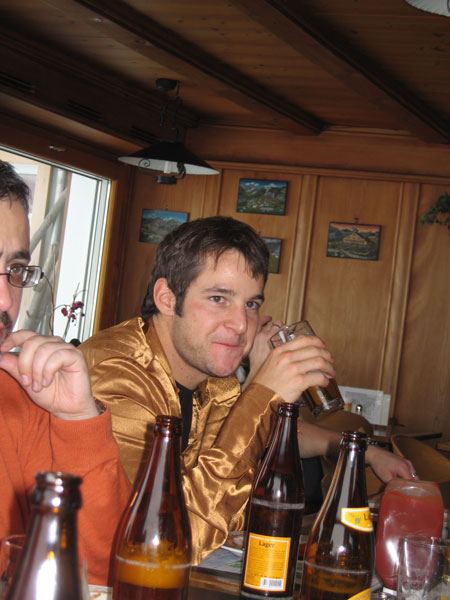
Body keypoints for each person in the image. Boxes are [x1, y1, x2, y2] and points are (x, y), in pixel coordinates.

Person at [80, 216, 415, 564]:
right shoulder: (115, 376)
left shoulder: (213, 378)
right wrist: (262, 392)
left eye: (251, 304)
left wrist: (363, 452)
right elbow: (157, 541)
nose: (242, 325)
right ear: (167, 298)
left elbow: (255, 439)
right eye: (218, 298)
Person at [0, 160, 131, 585]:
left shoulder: (22, 396)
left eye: (15, 270)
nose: (6, 300)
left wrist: (78, 421)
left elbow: (104, 572)